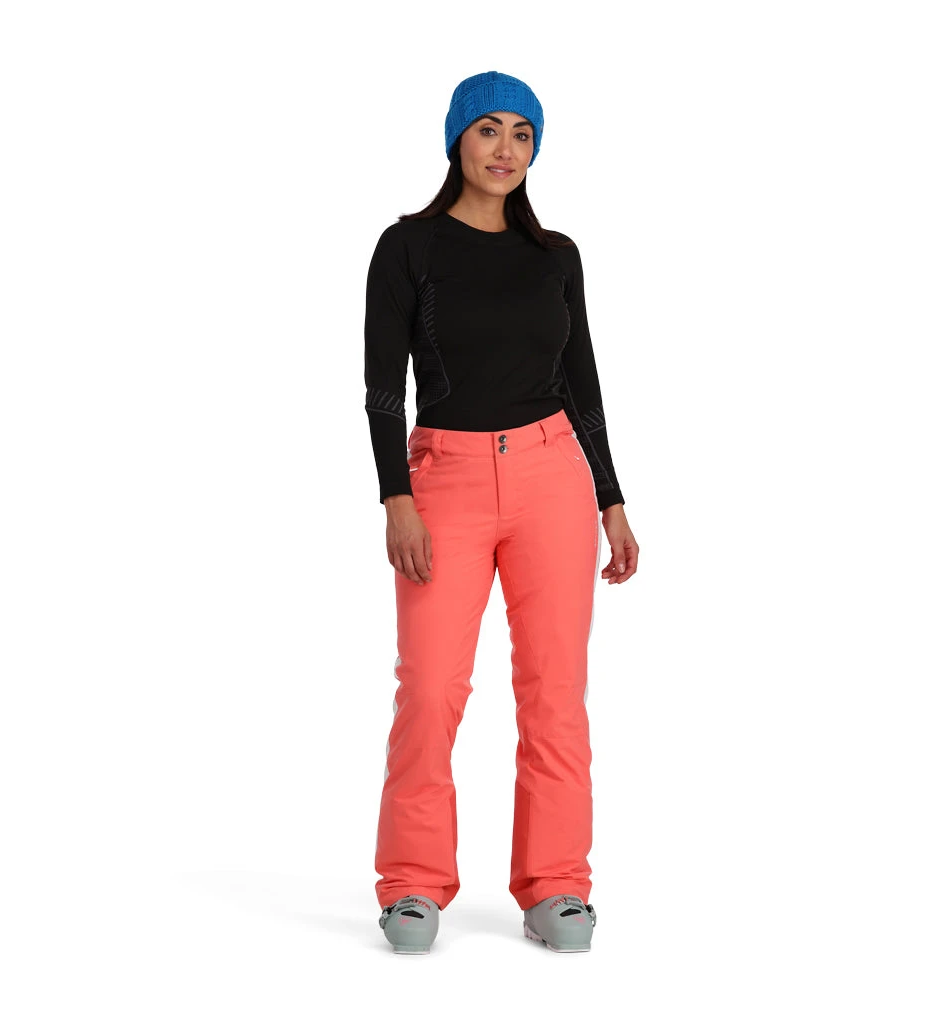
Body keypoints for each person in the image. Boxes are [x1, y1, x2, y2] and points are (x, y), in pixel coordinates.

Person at [364, 70, 639, 954]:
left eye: (523, 134)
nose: (506, 149)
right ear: (457, 139)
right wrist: (397, 498)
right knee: (431, 688)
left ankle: (556, 883)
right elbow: (383, 387)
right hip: (443, 478)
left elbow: (582, 379)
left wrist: (611, 498)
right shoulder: (408, 247)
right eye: (489, 129)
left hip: (553, 476)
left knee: (555, 691)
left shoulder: (556, 255)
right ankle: (412, 884)